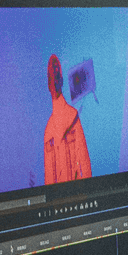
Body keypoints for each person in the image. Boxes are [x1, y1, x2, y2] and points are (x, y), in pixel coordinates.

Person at [42, 53, 92, 184]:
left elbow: (85, 165)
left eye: (57, 76)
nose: (54, 81)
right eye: (51, 77)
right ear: (48, 84)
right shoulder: (48, 131)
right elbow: (49, 178)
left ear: (62, 80)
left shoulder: (72, 116)